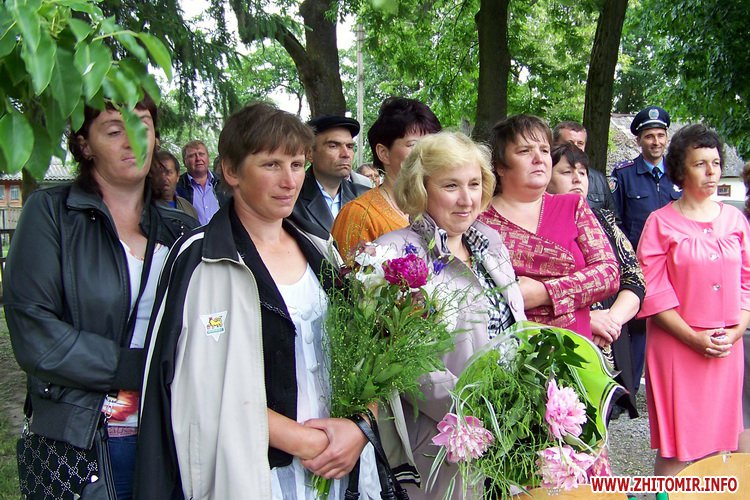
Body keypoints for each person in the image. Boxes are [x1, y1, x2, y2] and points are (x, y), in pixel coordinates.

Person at [135, 103, 379, 499]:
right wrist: (302, 440)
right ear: (231, 171)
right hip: (254, 472)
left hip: (337, 466)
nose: (289, 180)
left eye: (297, 165)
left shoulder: (321, 248)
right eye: (271, 165)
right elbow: (199, 387)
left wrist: (359, 428)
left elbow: (362, 357)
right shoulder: (200, 260)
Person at [4, 96, 197, 500]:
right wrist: (138, 367)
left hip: (172, 436)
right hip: (84, 441)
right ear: (84, 144)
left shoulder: (181, 228)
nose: (133, 140)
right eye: (114, 130)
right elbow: (36, 335)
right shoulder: (52, 213)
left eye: (142, 126)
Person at [374, 131, 525, 498]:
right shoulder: (392, 254)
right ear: (421, 188)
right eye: (451, 185)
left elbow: (512, 324)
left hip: (508, 433)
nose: (466, 198)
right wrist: (479, 408)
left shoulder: (490, 243)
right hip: (443, 443)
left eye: (474, 184)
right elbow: (403, 362)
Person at [636, 124, 750, 476]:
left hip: (726, 346)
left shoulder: (735, 220)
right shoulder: (659, 223)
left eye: (715, 163)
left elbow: (747, 282)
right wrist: (693, 338)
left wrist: (735, 332)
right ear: (681, 170)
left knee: (723, 446)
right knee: (677, 448)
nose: (712, 172)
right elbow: (653, 292)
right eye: (701, 164)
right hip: (677, 346)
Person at [478, 114, 619, 340]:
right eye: (525, 151)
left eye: (544, 150)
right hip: (510, 347)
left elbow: (608, 274)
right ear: (500, 166)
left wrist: (545, 293)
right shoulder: (479, 219)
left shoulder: (573, 206)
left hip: (575, 348)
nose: (538, 159)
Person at [547, 142, 645, 417]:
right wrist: (587, 319)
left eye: (582, 172)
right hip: (561, 343)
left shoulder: (604, 220)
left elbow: (634, 278)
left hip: (609, 341)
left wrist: (611, 320)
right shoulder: (538, 223)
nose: (577, 179)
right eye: (567, 172)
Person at [610, 105, 681, 397]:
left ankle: (670, 389)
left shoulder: (679, 175)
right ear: (639, 140)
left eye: (660, 135)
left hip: (677, 269)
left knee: (674, 328)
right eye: (649, 136)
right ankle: (629, 393)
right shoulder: (624, 175)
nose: (656, 142)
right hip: (640, 270)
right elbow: (616, 223)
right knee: (636, 333)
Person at [331, 97, 441, 258]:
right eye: (414, 145)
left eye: (433, 145)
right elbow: (347, 273)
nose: (427, 153)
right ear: (384, 153)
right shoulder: (359, 215)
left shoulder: (440, 206)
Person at [292, 115, 370, 236]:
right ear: (309, 153)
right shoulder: (290, 198)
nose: (346, 154)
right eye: (333, 146)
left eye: (349, 146)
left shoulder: (366, 197)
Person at [552, 121, 615, 211]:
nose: (575, 147)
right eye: (569, 143)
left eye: (580, 143)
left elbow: (613, 215)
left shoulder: (599, 179)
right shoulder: (545, 174)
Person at [176, 139, 224, 224]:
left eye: (201, 154)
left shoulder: (223, 182)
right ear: (184, 162)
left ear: (208, 158)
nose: (198, 158)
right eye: (192, 156)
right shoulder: (178, 187)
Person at [151, 150, 199, 220]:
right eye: (158, 173)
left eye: (168, 172)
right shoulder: (144, 209)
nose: (163, 178)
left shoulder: (188, 208)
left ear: (177, 176)